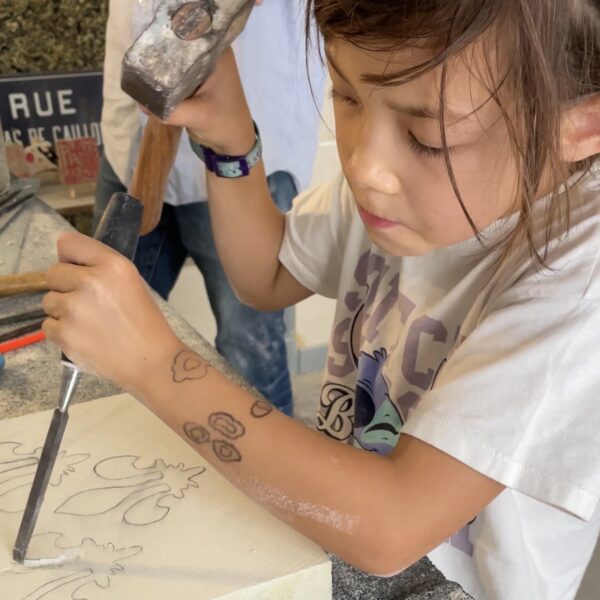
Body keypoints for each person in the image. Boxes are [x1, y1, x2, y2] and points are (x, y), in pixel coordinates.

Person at [42, 1, 600, 598]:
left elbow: (391, 525)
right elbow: (267, 275)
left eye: (429, 138)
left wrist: (153, 362)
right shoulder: (397, 188)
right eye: (347, 97)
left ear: (580, 128)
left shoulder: (577, 279)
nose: (364, 167)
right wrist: (230, 143)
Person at [95, 0, 326, 416]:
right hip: (128, 138)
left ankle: (262, 476)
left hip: (249, 152)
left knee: (249, 356)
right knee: (105, 333)